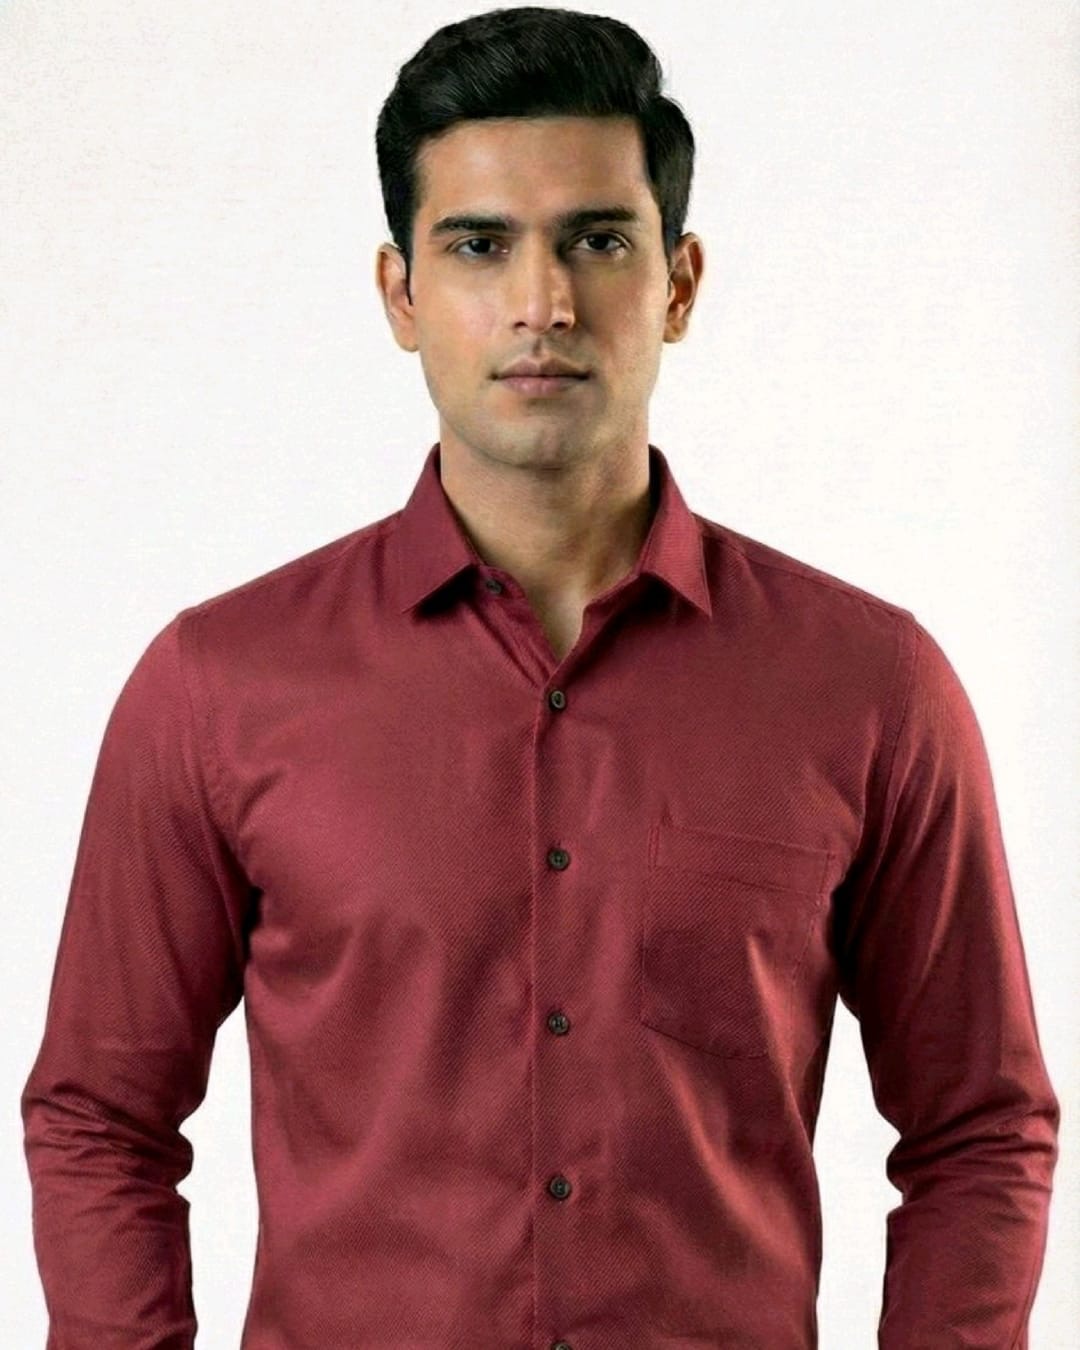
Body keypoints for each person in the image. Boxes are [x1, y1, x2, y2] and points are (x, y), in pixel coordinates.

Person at [20, 7, 1060, 1348]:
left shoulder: (870, 690)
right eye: (478, 244)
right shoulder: (217, 688)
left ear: (679, 283)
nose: (542, 303)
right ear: (401, 293)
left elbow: (980, 1126)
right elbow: (101, 1119)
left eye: (598, 241)